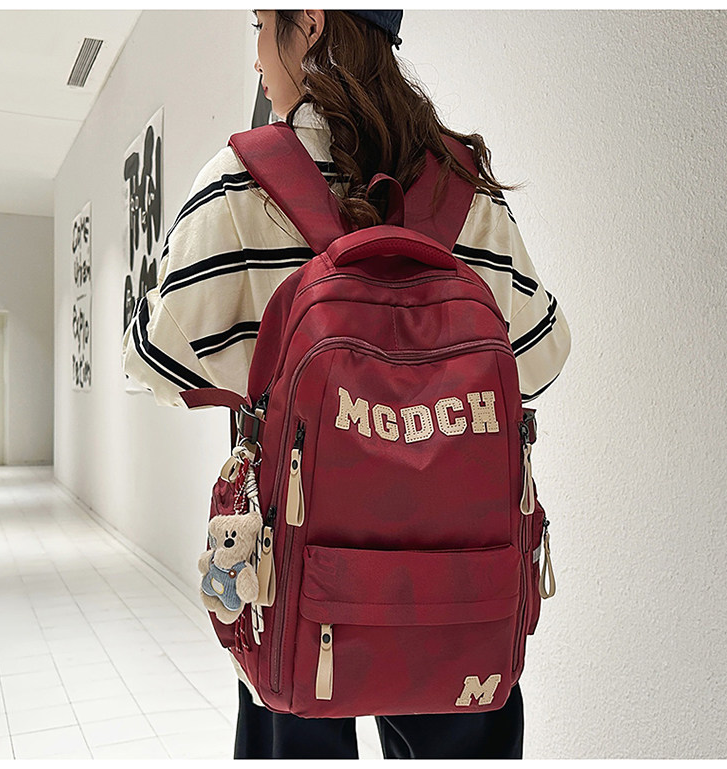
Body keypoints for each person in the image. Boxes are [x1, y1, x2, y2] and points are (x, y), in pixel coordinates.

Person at [122, 9, 571, 759]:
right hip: (460, 584)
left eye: (261, 23)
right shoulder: (463, 185)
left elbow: (150, 357)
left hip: (295, 575)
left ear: (310, 21)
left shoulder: (240, 182)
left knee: (290, 702)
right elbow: (544, 357)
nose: (258, 55)